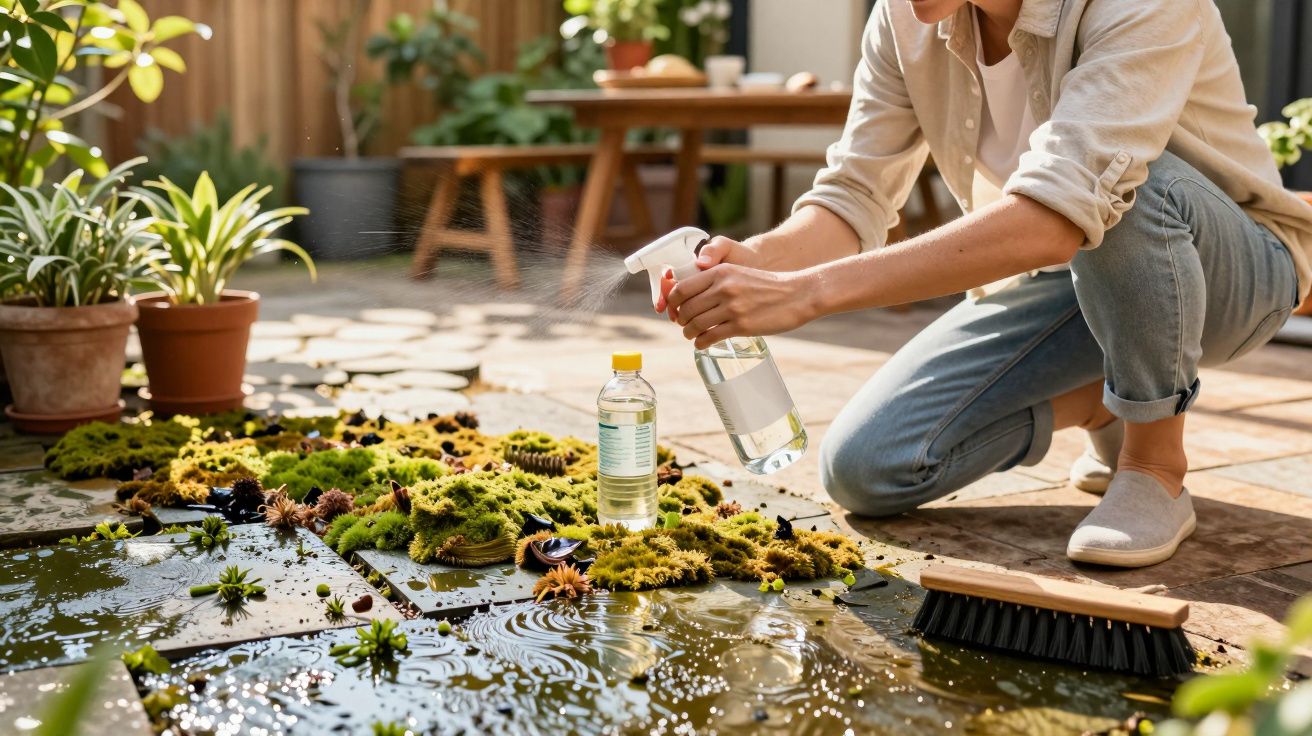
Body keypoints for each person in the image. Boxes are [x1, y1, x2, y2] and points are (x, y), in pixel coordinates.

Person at [658, 0, 1312, 568]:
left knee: (1124, 184)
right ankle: (1104, 402)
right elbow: (855, 195)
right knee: (868, 467)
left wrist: (807, 294)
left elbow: (1062, 211)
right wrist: (757, 259)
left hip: (1231, 277)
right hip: (1063, 283)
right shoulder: (904, 21)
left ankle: (1153, 463)